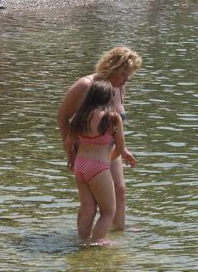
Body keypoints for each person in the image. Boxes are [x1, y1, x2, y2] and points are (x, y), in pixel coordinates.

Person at [58, 47, 142, 234]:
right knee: (91, 203)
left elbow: (116, 120)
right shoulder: (85, 85)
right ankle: (89, 241)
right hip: (89, 150)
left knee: (119, 190)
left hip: (110, 148)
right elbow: (63, 116)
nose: (126, 80)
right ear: (111, 68)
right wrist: (70, 153)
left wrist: (122, 148)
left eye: (129, 75)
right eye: (123, 75)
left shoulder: (119, 87)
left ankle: (117, 235)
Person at [64, 80, 135, 244]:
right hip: (98, 167)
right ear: (109, 98)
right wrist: (104, 161)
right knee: (108, 211)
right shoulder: (113, 118)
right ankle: (96, 243)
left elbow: (68, 145)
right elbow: (120, 148)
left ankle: (81, 242)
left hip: (80, 166)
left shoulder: (79, 117)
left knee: (88, 207)